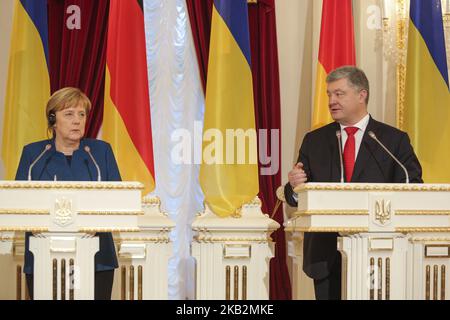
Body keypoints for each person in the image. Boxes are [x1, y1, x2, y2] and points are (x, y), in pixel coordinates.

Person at [284, 66, 423, 300]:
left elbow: (412, 186)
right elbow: (294, 195)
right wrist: (294, 186)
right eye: (329, 94)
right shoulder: (314, 140)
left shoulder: (391, 140)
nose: (331, 101)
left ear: (362, 95)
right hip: (326, 256)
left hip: (377, 252)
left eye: (339, 94)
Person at [15, 87, 121, 300]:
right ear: (53, 120)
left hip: (97, 258)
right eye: (69, 114)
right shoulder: (34, 155)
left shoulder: (100, 153)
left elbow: (118, 198)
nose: (77, 121)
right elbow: (18, 202)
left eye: (82, 114)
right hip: (44, 256)